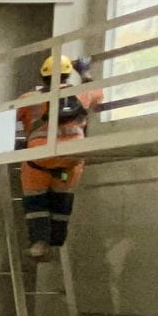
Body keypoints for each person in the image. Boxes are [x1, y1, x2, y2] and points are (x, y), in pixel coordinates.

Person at [17, 55, 103, 261]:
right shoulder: (82, 93)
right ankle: (56, 242)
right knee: (62, 202)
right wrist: (84, 72)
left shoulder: (29, 98)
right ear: (68, 74)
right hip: (69, 162)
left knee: (35, 202)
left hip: (39, 159)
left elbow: (11, 117)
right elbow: (98, 94)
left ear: (42, 76)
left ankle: (39, 243)